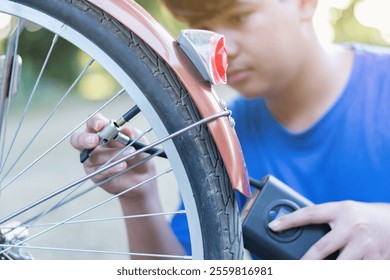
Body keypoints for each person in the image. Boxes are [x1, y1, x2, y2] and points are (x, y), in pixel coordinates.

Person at [71, 0, 390, 259]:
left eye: (239, 18)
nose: (221, 48)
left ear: (306, 3)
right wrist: (139, 197)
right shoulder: (222, 133)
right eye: (205, 29)